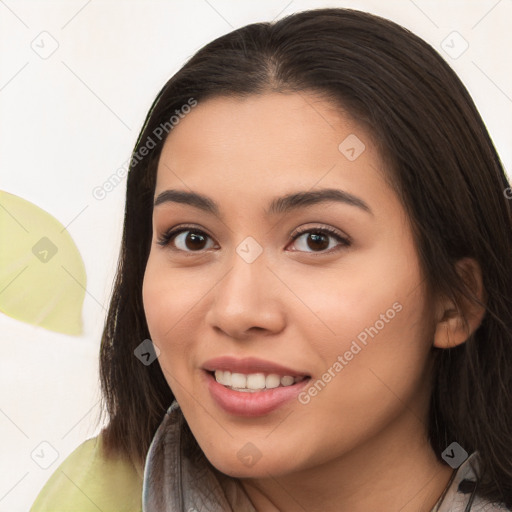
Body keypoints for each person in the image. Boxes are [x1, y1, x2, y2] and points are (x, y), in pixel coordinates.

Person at [30, 7, 512, 512]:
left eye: (317, 241)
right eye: (193, 239)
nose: (237, 310)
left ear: (455, 301)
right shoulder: (88, 497)